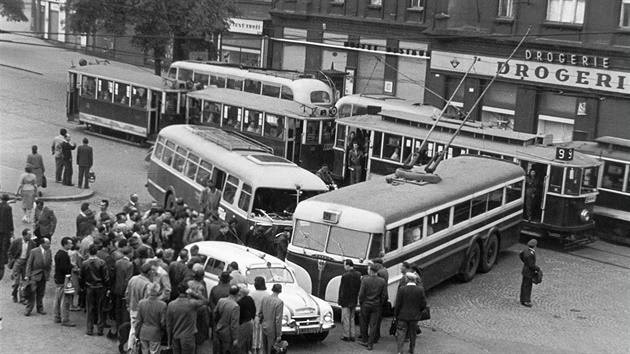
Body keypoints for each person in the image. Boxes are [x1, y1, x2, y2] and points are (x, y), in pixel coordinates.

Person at [167, 282, 208, 354]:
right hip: (188, 337)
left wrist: (169, 341)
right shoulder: (192, 304)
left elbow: (169, 324)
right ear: (187, 291)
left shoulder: (171, 305)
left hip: (176, 336)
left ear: (178, 291)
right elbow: (205, 300)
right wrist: (193, 293)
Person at [394, 272, 427, 354]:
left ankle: (399, 350)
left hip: (402, 315)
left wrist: (396, 314)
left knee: (401, 332)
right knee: (413, 333)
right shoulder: (420, 289)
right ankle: (412, 348)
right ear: (415, 280)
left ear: (407, 279)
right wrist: (419, 310)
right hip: (414, 315)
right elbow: (424, 303)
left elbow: (398, 303)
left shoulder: (402, 289)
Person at [80, 243, 110, 335]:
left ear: (89, 251)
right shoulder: (102, 262)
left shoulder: (84, 263)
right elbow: (106, 277)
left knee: (90, 309)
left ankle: (89, 329)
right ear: (97, 252)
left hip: (90, 287)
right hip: (100, 287)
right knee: (100, 309)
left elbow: (81, 277)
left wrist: (82, 287)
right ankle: (100, 329)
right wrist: (108, 287)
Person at [357, 264, 387, 351]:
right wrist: (379, 303)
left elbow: (361, 293)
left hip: (366, 304)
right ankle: (370, 343)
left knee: (364, 322)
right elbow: (383, 295)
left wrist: (361, 302)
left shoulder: (365, 280)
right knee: (373, 324)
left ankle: (365, 340)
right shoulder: (382, 281)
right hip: (376, 304)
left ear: (371, 271)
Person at [126, 262, 155, 345]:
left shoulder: (133, 279)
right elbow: (146, 301)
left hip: (132, 308)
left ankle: (131, 348)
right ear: (149, 272)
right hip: (141, 312)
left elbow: (127, 293)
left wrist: (128, 305)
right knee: (137, 332)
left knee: (133, 329)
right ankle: (134, 349)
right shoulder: (148, 284)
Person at [135, 283, 167, 354]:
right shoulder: (162, 305)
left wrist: (136, 333)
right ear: (158, 291)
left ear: (148, 291)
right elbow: (163, 322)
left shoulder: (141, 303)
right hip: (155, 334)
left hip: (143, 332)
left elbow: (138, 321)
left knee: (144, 351)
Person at [23, 237, 52, 316]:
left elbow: (49, 263)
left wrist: (48, 273)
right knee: (32, 291)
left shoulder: (49, 251)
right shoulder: (34, 251)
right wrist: (27, 275)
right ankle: (29, 308)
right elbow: (29, 263)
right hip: (34, 274)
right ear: (42, 244)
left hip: (43, 275)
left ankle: (40, 308)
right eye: (47, 243)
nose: (49, 245)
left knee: (41, 292)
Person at [8, 228, 36, 303]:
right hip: (18, 262)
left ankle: (22, 297)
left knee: (24, 281)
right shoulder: (16, 242)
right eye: (29, 234)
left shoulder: (32, 243)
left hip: (26, 263)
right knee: (16, 281)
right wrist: (13, 259)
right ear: (24, 235)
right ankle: (14, 294)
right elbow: (10, 252)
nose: (30, 236)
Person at [53, 237, 76, 327]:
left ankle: (57, 316)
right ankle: (65, 319)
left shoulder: (59, 253)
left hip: (58, 279)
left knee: (57, 299)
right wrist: (71, 267)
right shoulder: (64, 255)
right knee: (65, 300)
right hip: (64, 279)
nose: (71, 245)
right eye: (70, 243)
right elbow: (64, 268)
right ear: (65, 244)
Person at [112, 246, 134, 336]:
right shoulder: (130, 264)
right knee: (124, 311)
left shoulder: (117, 262)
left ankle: (117, 327)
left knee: (118, 310)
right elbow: (128, 280)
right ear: (129, 253)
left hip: (117, 289)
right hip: (124, 290)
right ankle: (123, 331)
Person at [338, 259, 361, 342]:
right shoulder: (358, 275)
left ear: (348, 265)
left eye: (344, 265)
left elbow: (342, 290)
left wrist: (340, 300)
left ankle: (346, 335)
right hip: (354, 299)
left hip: (346, 300)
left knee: (346, 318)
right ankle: (352, 335)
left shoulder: (345, 276)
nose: (344, 267)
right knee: (352, 318)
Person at [214, 285, 241, 354]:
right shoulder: (235, 306)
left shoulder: (221, 300)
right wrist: (235, 338)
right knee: (226, 350)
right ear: (237, 294)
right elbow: (234, 324)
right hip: (227, 333)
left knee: (218, 349)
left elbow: (215, 313)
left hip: (219, 328)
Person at [259, 283, 284, 354]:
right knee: (271, 350)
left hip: (264, 326)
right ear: (280, 291)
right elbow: (278, 320)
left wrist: (262, 322)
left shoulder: (265, 299)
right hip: (272, 329)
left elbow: (260, 313)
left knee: (264, 349)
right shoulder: (279, 302)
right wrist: (279, 334)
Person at [249, 277, 270, 354]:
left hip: (254, 317)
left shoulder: (251, 294)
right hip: (263, 318)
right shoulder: (267, 295)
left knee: (254, 337)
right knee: (261, 338)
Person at [520, 239, 541, 307]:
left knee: (524, 285)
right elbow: (531, 265)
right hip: (529, 272)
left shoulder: (526, 250)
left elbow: (520, 255)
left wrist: (525, 262)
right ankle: (526, 300)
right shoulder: (531, 254)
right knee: (527, 286)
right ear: (534, 246)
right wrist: (538, 269)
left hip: (525, 271)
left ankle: (523, 299)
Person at [237, 284, 256, 354]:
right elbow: (254, 310)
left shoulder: (239, 302)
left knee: (242, 344)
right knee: (248, 342)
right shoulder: (250, 299)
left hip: (243, 323)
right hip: (250, 322)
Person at [0, 194, 15, 281]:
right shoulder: (8, 208)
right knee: (5, 244)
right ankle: (3, 258)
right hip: (5, 228)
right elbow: (10, 219)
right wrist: (12, 230)